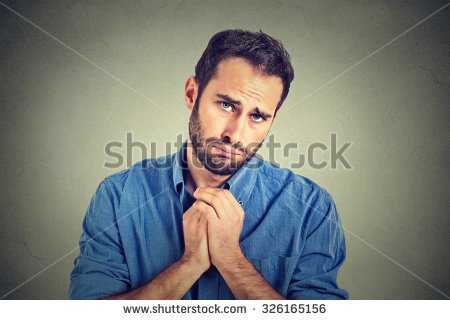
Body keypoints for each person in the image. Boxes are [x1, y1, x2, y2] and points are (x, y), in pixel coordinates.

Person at [69, 29, 348, 300]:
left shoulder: (312, 208)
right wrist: (188, 265)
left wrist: (231, 259)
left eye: (258, 116)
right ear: (192, 94)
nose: (235, 135)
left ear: (273, 118)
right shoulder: (117, 197)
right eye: (227, 105)